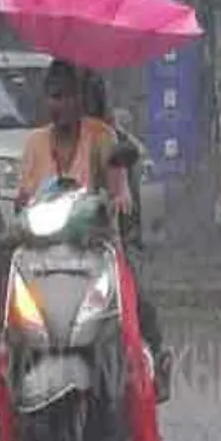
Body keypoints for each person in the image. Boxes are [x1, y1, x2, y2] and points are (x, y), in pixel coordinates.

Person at [0, 59, 174, 441]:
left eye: (67, 95)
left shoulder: (103, 139)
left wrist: (118, 193)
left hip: (98, 258)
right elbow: (24, 201)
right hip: (43, 262)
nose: (59, 105)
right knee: (9, 357)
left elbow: (121, 189)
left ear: (80, 98)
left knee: (132, 358)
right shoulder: (33, 145)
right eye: (52, 96)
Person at [80, 69, 172, 401]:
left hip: (110, 240)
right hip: (62, 244)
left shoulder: (117, 144)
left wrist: (114, 199)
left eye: (83, 100)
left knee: (135, 292)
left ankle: (156, 357)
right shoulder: (46, 142)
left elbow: (125, 200)